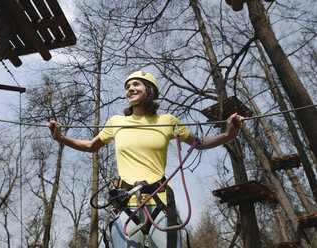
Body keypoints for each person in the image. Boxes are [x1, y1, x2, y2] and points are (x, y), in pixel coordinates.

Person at [47, 71, 244, 248]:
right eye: (127, 87)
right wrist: (60, 138)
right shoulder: (116, 123)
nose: (130, 89)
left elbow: (199, 143)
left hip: (161, 201)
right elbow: (91, 146)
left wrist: (228, 135)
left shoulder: (167, 121)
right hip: (125, 202)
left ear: (149, 91)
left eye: (136, 85)